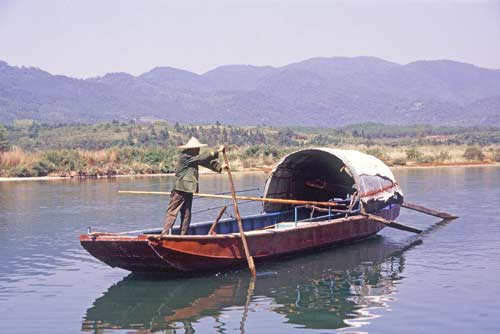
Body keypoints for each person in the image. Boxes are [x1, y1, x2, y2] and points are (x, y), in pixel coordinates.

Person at [162, 137, 226, 235]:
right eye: (197, 148)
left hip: (188, 190)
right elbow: (202, 158)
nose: (198, 150)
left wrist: (220, 168)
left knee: (187, 215)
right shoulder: (186, 157)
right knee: (172, 212)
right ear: (192, 149)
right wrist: (218, 151)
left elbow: (205, 162)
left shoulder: (194, 158)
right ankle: (164, 234)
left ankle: (184, 235)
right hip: (180, 190)